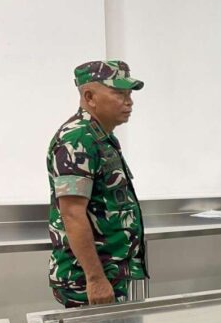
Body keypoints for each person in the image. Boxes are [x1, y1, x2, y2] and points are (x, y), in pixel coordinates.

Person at [47, 60, 147, 307]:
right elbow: (72, 214)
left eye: (129, 94)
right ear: (90, 97)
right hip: (86, 279)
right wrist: (95, 279)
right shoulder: (77, 139)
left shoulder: (101, 136)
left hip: (110, 272)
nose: (129, 102)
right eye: (119, 93)